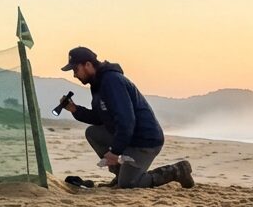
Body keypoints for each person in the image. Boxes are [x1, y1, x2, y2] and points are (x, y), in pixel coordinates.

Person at [58, 47, 194, 189]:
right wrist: (75, 109)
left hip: (144, 140)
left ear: (88, 64)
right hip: (129, 138)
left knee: (128, 184)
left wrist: (115, 151)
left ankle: (178, 170)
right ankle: (121, 175)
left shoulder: (112, 81)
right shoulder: (97, 84)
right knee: (93, 133)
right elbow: (100, 118)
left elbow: (127, 121)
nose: (74, 75)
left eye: (76, 69)